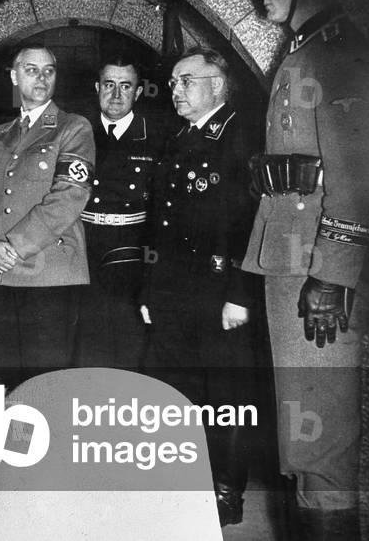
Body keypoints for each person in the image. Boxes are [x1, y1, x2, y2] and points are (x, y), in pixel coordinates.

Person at [243, 0, 369, 540]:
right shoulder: (306, 49)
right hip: (292, 259)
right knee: (303, 438)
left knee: (323, 439)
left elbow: (357, 174)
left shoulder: (338, 50)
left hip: (318, 267)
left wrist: (333, 273)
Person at [142, 47, 263, 527]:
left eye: (186, 81)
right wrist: (150, 291)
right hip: (174, 292)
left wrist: (240, 294)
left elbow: (250, 223)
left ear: (217, 84)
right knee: (179, 390)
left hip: (218, 292)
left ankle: (226, 493)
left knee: (226, 397)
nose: (175, 90)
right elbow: (160, 223)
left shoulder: (239, 135)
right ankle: (184, 484)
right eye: (173, 82)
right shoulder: (180, 138)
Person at [0, 45, 95, 386]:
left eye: (49, 70)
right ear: (14, 76)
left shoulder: (72, 127)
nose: (41, 77)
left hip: (48, 273)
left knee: (45, 383)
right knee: (8, 383)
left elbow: (69, 196)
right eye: (31, 70)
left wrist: (13, 246)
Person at [77, 58, 162, 369]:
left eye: (125, 86)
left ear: (138, 92)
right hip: (83, 244)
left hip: (132, 248)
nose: (116, 94)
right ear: (97, 88)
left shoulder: (157, 137)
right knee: (85, 339)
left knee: (129, 340)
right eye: (109, 85)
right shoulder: (76, 131)